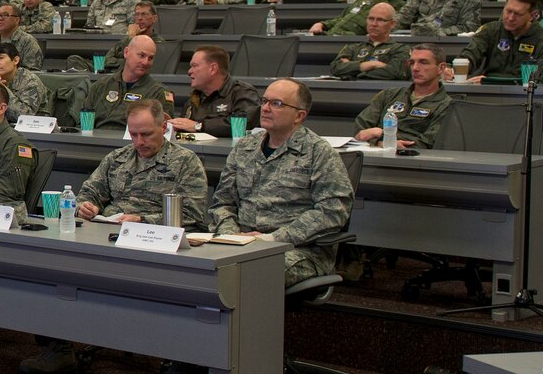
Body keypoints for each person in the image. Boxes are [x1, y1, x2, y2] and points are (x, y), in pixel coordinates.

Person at [19, 100, 210, 374]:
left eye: (147, 134)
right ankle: (58, 346)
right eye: (133, 134)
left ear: (164, 127)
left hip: (153, 241)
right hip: (109, 234)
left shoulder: (185, 162)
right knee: (54, 263)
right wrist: (87, 205)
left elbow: (193, 213)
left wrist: (142, 219)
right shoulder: (118, 158)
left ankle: (179, 366)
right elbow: (89, 192)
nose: (139, 141)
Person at [206, 78, 355, 287]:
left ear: (299, 116)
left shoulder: (318, 153)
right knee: (196, 267)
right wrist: (233, 236)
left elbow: (333, 211)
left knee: (249, 274)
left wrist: (273, 239)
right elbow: (222, 203)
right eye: (265, 101)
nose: (265, 109)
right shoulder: (244, 148)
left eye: (277, 104)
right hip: (241, 242)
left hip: (298, 249)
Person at [352, 46, 452, 146]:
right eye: (412, 63)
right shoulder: (389, 95)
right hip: (373, 156)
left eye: (423, 62)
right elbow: (361, 131)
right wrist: (380, 143)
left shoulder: (446, 105)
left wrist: (381, 134)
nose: (415, 68)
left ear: (441, 68)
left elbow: (427, 143)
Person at [459, 0, 543, 84]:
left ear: (532, 16)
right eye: (508, 11)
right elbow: (471, 54)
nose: (510, 18)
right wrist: (455, 69)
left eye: (518, 14)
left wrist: (491, 81)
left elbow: (542, 78)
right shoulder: (491, 30)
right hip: (489, 90)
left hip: (525, 93)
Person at [82, 35, 174, 131]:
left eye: (150, 58)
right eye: (141, 56)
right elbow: (83, 122)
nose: (146, 62)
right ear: (126, 52)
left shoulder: (158, 92)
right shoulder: (101, 85)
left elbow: (163, 130)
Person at [172, 46, 261, 138]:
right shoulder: (195, 98)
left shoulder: (242, 92)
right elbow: (186, 128)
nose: (189, 71)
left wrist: (199, 126)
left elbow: (243, 124)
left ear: (213, 69)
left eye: (194, 66)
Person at [329, 3, 410, 80]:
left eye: (380, 20)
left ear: (392, 24)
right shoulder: (353, 48)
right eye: (371, 19)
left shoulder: (400, 49)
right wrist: (371, 65)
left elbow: (395, 72)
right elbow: (335, 67)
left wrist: (354, 71)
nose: (374, 24)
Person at [0, 42, 49, 121]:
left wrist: (2, 89)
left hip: (33, 128)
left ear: (15, 60)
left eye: (1, 58)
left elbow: (26, 116)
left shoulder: (30, 81)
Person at [100, 2, 161, 71]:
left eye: (144, 15)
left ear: (154, 18)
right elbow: (106, 60)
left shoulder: (158, 43)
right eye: (137, 14)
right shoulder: (127, 38)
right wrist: (123, 63)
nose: (139, 18)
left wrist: (132, 37)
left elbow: (135, 65)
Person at [0, 3, 43, 69]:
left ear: (16, 20)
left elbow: (33, 72)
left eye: (5, 15)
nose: (0, 19)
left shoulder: (28, 41)